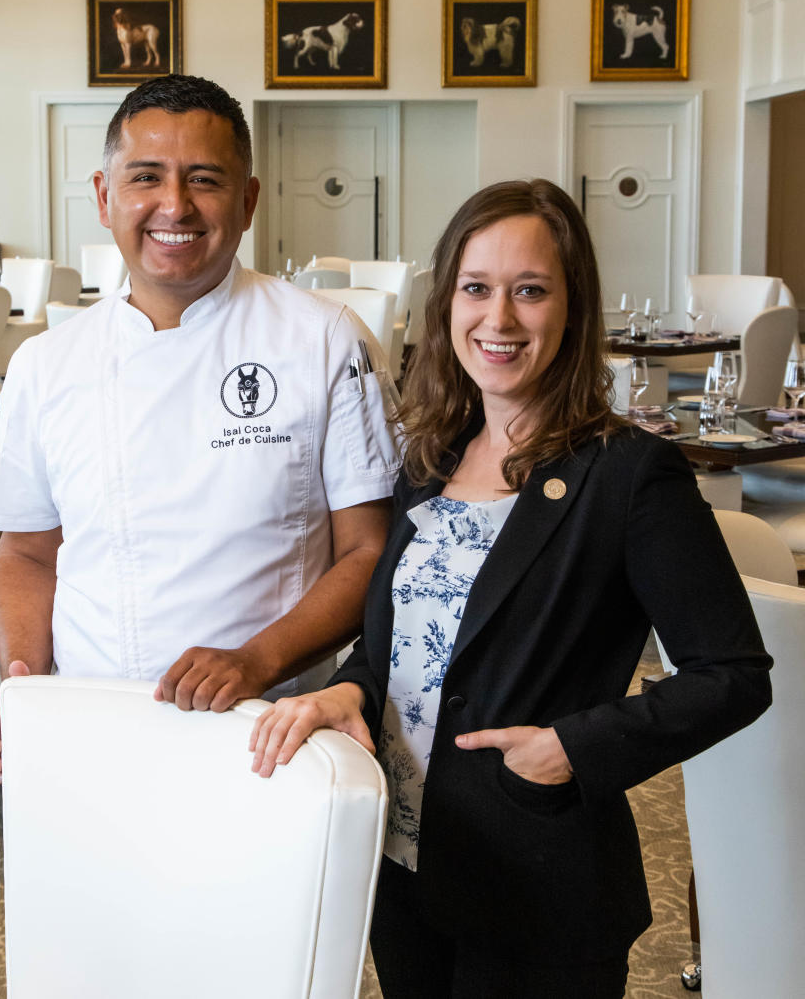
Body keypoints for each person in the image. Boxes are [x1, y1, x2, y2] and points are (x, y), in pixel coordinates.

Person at [248, 179, 772, 999]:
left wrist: (570, 750)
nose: (499, 320)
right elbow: (400, 645)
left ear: (573, 308)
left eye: (530, 291)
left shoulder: (629, 475)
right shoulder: (428, 463)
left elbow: (734, 677)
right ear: (446, 303)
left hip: (539, 881)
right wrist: (349, 691)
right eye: (477, 288)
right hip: (405, 860)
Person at [0, 74, 400, 787]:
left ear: (248, 201)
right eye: (146, 177)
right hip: (90, 727)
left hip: (267, 733)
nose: (175, 206)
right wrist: (22, 686)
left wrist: (257, 660)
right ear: (106, 197)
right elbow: (28, 555)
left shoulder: (324, 339)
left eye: (205, 180)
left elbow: (367, 551)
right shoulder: (46, 364)